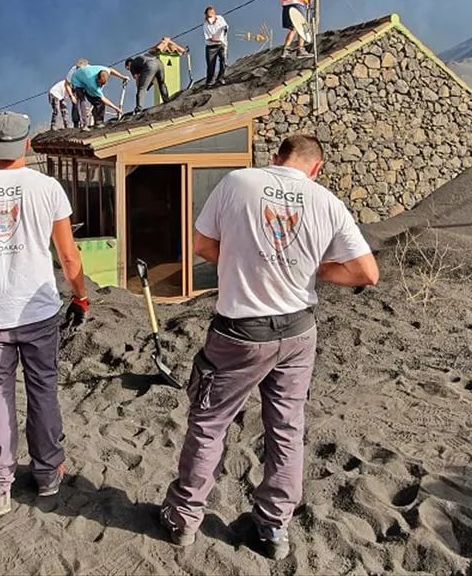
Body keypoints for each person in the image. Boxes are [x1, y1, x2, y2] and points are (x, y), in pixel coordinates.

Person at [159, 135, 379, 560]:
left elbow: (202, 245)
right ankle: (274, 527)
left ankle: (183, 519)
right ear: (316, 169)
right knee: (286, 427)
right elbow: (367, 272)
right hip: (298, 333)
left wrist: (241, 260)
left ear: (275, 157)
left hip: (239, 332)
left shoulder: (238, 182)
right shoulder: (326, 201)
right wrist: (312, 269)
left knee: (209, 423)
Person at [0, 111, 89, 516]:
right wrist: (80, 296)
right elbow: (67, 253)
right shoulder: (48, 188)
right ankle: (47, 473)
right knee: (43, 390)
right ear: (26, 144)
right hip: (39, 312)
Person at [70, 63, 130, 128]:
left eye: (103, 84)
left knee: (98, 102)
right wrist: (115, 108)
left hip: (84, 77)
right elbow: (103, 98)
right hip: (76, 81)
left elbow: (111, 70)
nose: (100, 86)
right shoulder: (92, 84)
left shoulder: (104, 70)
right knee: (83, 100)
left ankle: (98, 121)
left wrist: (123, 77)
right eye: (100, 83)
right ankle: (84, 124)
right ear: (97, 78)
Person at [202, 6, 229, 87]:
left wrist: (224, 31)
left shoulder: (220, 18)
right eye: (209, 13)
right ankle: (210, 82)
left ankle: (220, 78)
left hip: (221, 44)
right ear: (206, 15)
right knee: (211, 65)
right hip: (211, 47)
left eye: (212, 12)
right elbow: (210, 38)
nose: (211, 14)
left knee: (223, 61)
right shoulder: (205, 25)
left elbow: (225, 27)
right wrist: (218, 40)